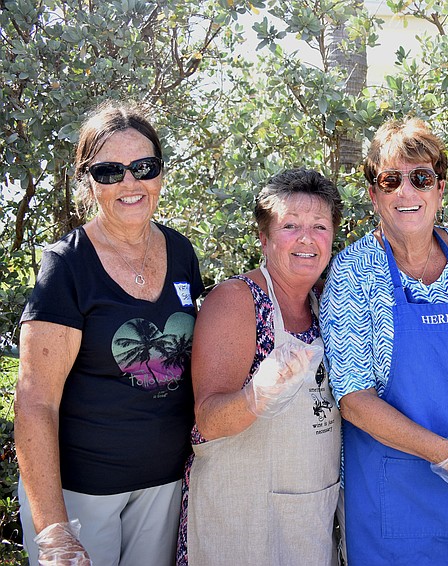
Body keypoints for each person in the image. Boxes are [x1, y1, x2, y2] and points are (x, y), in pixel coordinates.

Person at [320, 117, 448, 565]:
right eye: (390, 180)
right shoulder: (355, 272)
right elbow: (353, 398)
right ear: (374, 195)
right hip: (395, 498)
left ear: (440, 189)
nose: (406, 192)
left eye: (421, 178)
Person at [14, 101, 203, 565]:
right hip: (80, 495)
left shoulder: (181, 253)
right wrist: (53, 529)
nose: (129, 183)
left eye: (143, 167)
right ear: (87, 181)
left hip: (164, 486)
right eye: (109, 171)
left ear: (160, 172)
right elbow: (34, 401)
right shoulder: (67, 266)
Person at [180, 168, 343, 565]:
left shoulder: (330, 302)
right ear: (264, 238)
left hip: (308, 515)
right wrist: (257, 396)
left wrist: (446, 238)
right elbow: (209, 420)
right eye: (290, 225)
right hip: (238, 514)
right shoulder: (237, 301)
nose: (306, 238)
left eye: (319, 226)